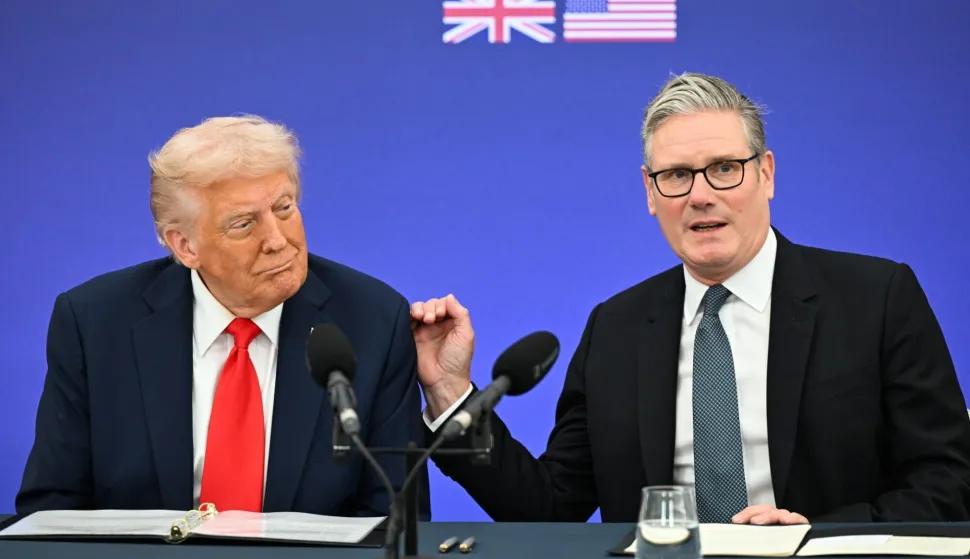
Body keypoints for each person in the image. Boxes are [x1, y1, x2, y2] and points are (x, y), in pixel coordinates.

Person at [410, 72, 970, 524]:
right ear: (651, 193)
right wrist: (451, 394)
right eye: (676, 175)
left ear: (766, 174)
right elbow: (549, 506)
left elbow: (948, 480)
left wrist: (814, 538)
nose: (701, 195)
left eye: (725, 169)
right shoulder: (617, 327)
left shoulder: (875, 298)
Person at [17, 115, 429, 519]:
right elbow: (52, 508)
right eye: (243, 224)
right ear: (185, 247)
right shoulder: (96, 323)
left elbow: (396, 515)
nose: (276, 240)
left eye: (284, 208)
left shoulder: (372, 321)